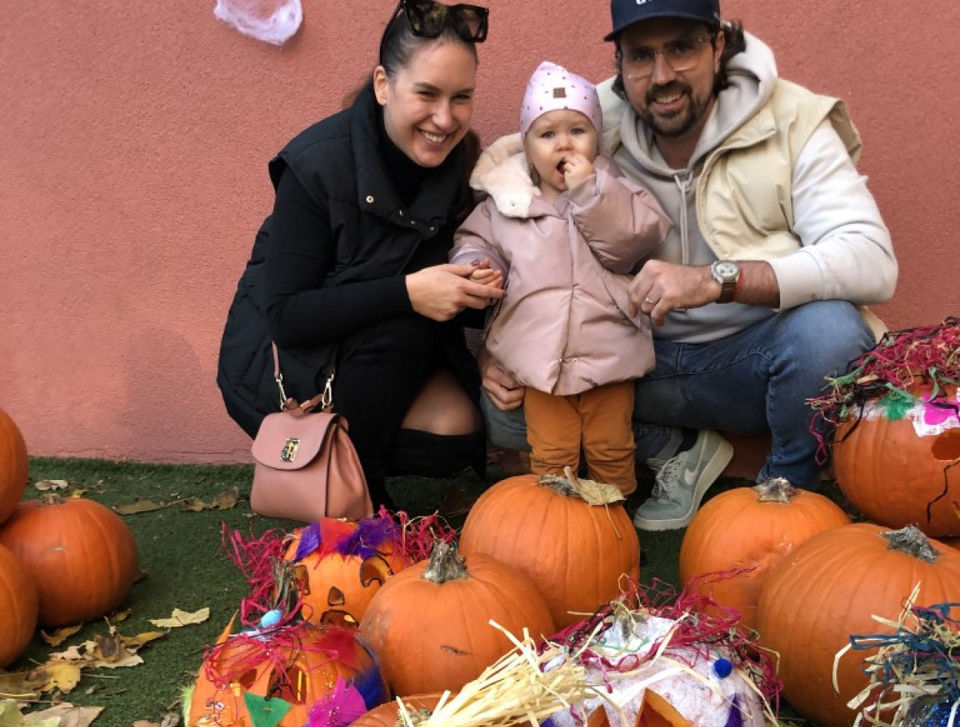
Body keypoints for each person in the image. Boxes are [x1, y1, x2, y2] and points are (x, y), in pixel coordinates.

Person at [479, 0, 897, 530]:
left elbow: (872, 260)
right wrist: (499, 348)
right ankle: (678, 450)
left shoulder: (792, 120)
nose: (661, 76)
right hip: (629, 358)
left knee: (829, 332)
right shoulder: (585, 120)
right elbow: (509, 212)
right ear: (619, 63)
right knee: (504, 407)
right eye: (640, 55)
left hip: (747, 362)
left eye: (681, 48)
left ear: (718, 45)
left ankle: (783, 497)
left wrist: (718, 280)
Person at [217, 0, 505, 511]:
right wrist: (409, 292)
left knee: (455, 432)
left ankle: (349, 463)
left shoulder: (463, 163)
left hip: (382, 350)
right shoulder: (317, 164)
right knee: (404, 326)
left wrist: (478, 295)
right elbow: (285, 316)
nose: (445, 118)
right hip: (280, 359)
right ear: (383, 85)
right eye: (427, 93)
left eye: (461, 97)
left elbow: (450, 295)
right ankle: (360, 505)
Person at [449, 61, 670, 496]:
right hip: (539, 359)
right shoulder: (507, 202)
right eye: (547, 134)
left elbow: (636, 239)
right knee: (551, 453)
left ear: (597, 140)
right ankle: (553, 519)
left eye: (578, 131)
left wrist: (591, 193)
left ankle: (614, 527)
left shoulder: (613, 187)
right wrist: (477, 260)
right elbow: (476, 238)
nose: (563, 144)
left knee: (612, 449)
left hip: (609, 356)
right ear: (528, 146)